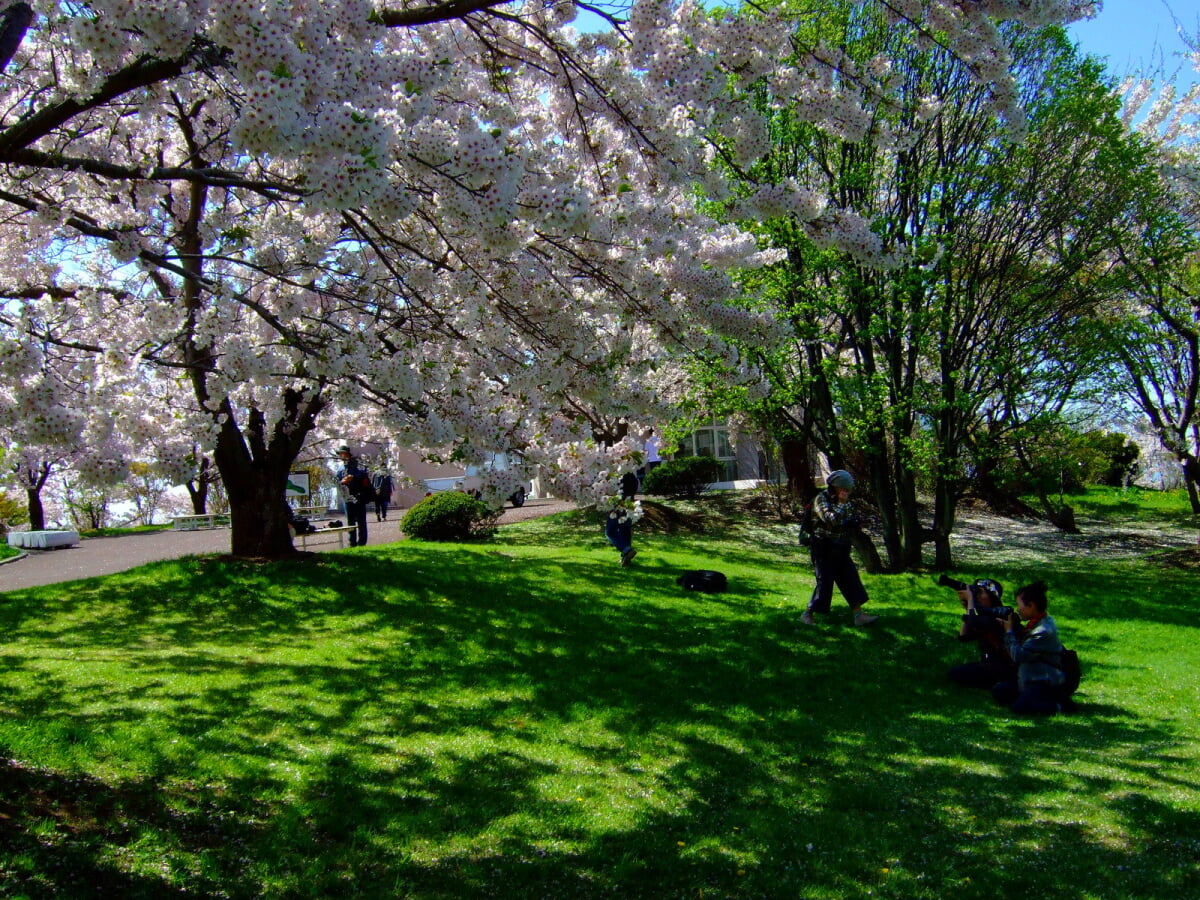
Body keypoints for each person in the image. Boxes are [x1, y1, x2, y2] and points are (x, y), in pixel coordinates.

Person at [800, 469, 878, 627]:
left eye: (849, 489)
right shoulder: (820, 499)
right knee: (825, 583)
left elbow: (847, 518)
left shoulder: (845, 501)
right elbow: (830, 520)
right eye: (844, 488)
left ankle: (859, 615)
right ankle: (807, 614)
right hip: (823, 547)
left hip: (840, 547)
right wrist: (841, 504)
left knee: (850, 579)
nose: (847, 491)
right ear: (836, 486)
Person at [992, 581, 1067, 715]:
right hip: (1029, 678)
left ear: (1031, 605)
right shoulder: (1039, 622)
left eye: (1019, 605)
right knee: (1000, 691)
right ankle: (1029, 697)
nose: (1018, 609)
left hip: (1044, 681)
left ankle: (1061, 706)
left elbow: (1018, 656)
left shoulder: (1043, 631)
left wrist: (1008, 632)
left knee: (1020, 708)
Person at [946, 577, 1015, 689]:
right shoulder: (983, 616)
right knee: (955, 672)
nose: (977, 596)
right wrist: (967, 607)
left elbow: (973, 622)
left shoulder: (1001, 614)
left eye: (981, 593)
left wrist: (970, 602)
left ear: (991, 596)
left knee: (957, 673)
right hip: (989, 663)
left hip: (1004, 666)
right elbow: (963, 637)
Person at [335, 444, 370, 548]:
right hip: (347, 497)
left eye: (343, 454)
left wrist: (353, 477)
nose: (342, 456)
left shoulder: (357, 465)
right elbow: (337, 480)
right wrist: (342, 481)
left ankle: (362, 542)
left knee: (361, 520)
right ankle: (352, 542)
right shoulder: (341, 468)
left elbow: (363, 474)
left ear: (348, 454)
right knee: (350, 521)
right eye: (340, 454)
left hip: (358, 496)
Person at [604, 497, 640, 566]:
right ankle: (626, 558)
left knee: (610, 532)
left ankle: (627, 550)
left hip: (618, 506)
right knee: (625, 532)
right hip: (629, 506)